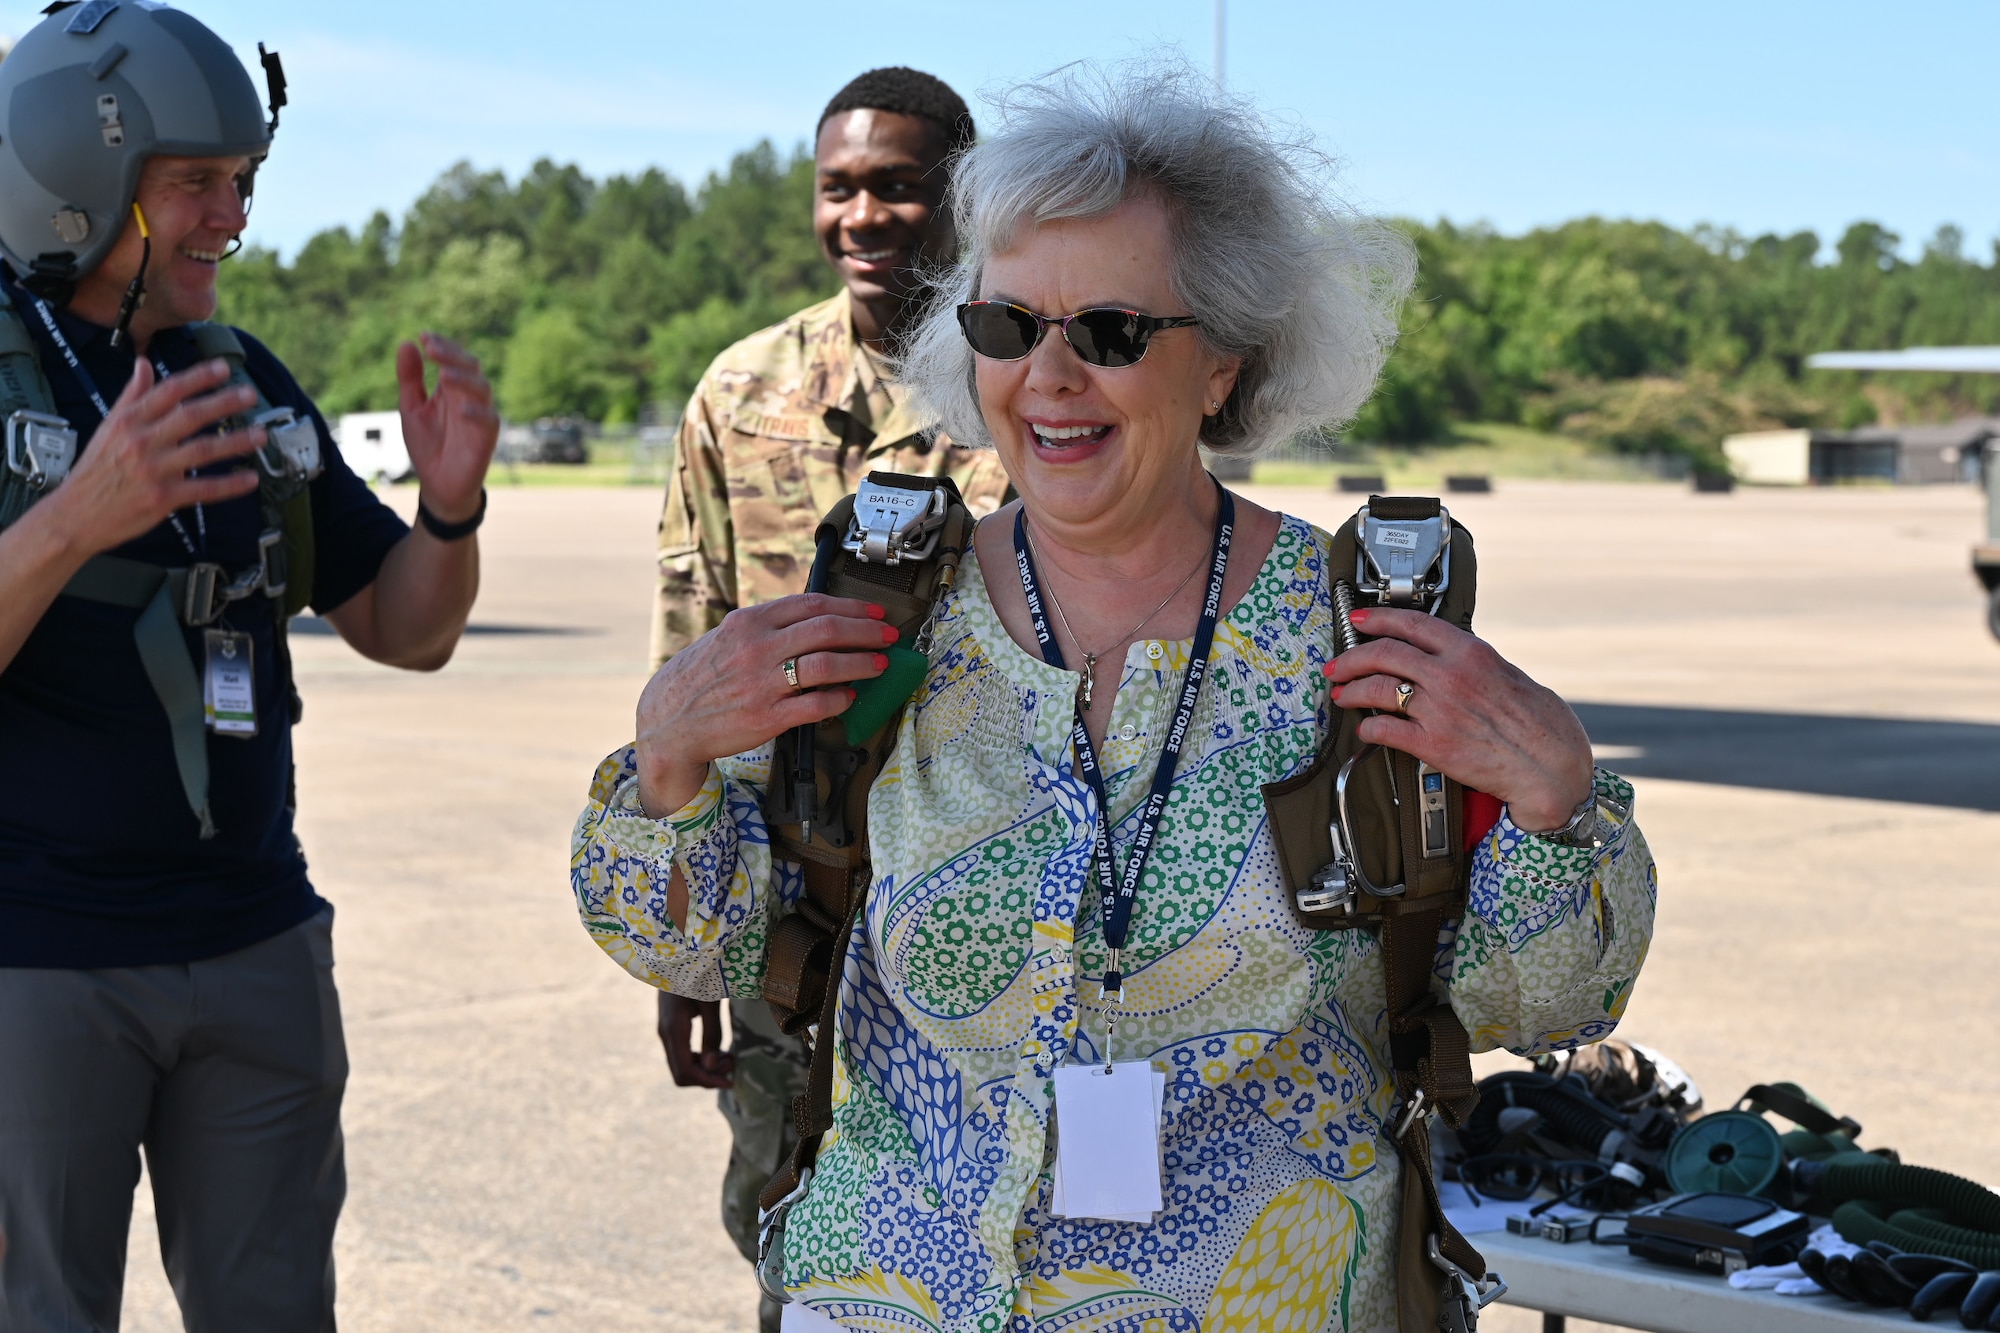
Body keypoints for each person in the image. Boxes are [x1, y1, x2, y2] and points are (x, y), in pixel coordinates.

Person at [576, 62, 1656, 1332]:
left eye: (1110, 332)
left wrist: (1558, 798)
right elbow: (698, 942)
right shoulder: (881, 626)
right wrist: (667, 764)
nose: (1048, 376)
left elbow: (1540, 1003)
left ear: (1221, 365)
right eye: (1005, 326)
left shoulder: (1357, 645)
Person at [0, 8, 497, 1330]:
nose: (232, 217)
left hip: (254, 938)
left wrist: (449, 513)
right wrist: (71, 519)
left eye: (244, 182)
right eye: (197, 185)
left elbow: (408, 629)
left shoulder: (240, 379)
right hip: (37, 965)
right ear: (77, 177)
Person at [647, 66, 1009, 1331]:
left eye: (898, 189)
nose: (861, 216)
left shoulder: (1029, 382)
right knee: (788, 1224)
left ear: (961, 201)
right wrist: (679, 935)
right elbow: (684, 671)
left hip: (991, 903)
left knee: (1003, 1229)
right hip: (790, 904)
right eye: (838, 188)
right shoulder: (739, 397)